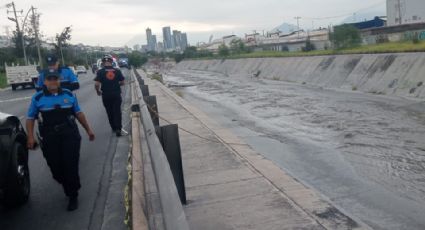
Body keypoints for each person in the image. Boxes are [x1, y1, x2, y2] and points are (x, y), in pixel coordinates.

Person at [26, 70, 95, 211]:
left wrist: (88, 130)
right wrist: (30, 137)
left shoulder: (69, 94)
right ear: (45, 82)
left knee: (70, 164)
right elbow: (30, 118)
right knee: (56, 168)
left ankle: (72, 194)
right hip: (50, 136)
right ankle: (67, 183)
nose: (53, 82)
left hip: (69, 134)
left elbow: (78, 113)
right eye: (49, 79)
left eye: (55, 79)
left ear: (59, 80)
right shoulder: (38, 98)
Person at [94, 55, 127, 137]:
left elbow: (97, 84)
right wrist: (117, 84)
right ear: (111, 62)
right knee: (117, 112)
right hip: (116, 94)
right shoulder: (117, 71)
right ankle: (118, 129)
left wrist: (98, 91)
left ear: (103, 63)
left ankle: (114, 128)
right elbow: (123, 82)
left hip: (106, 95)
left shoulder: (100, 72)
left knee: (109, 112)